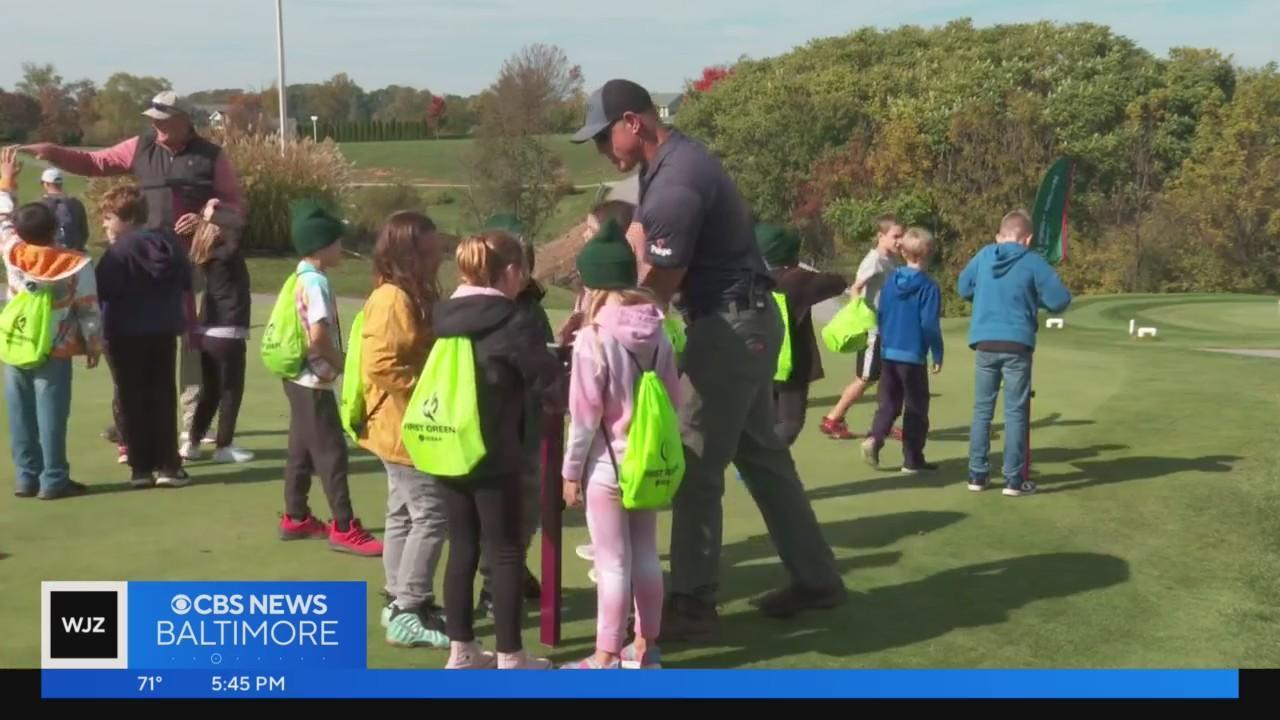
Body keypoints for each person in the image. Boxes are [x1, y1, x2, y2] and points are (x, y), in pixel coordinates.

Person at [574, 79, 845, 638]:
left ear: (634, 122)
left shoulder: (677, 179)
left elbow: (661, 285)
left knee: (696, 463)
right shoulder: (667, 165)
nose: (604, 150)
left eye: (605, 138)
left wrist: (610, 327)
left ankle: (694, 603)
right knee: (762, 455)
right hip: (740, 319)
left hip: (727, 324)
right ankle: (817, 578)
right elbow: (646, 244)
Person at [18, 90, 245, 446]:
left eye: (163, 118)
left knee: (190, 341)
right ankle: (132, 419)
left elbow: (234, 206)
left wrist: (207, 215)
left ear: (184, 120)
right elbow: (95, 163)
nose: (155, 124)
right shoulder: (140, 147)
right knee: (140, 341)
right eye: (153, 118)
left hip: (193, 261)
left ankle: (189, 424)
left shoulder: (212, 156)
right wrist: (53, 152)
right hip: (144, 262)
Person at [434, 232, 561, 670]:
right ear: (510, 272)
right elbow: (546, 381)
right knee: (506, 551)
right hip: (496, 447)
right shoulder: (511, 319)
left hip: (448, 444)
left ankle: (462, 650)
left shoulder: (444, 313)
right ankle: (510, 655)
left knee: (463, 547)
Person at [560, 218, 676, 670]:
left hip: (607, 465)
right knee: (646, 554)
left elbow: (584, 417)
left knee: (612, 563)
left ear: (590, 283)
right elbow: (672, 395)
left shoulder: (592, 338)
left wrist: (570, 473)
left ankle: (606, 654)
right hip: (649, 460)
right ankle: (646, 648)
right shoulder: (661, 330)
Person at [357, 211, 449, 648]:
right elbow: (380, 364)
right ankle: (409, 606)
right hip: (405, 427)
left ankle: (399, 599)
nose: (436, 259)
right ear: (406, 254)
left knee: (404, 513)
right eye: (428, 252)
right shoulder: (393, 298)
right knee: (432, 513)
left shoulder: (406, 293)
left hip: (400, 426)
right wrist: (429, 393)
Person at [278, 200, 383, 556]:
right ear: (321, 245)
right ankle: (344, 525)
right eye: (337, 242)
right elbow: (319, 338)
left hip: (298, 378)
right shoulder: (317, 284)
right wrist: (344, 366)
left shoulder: (299, 276)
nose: (341, 248)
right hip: (314, 380)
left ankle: (295, 515)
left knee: (301, 449)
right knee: (331, 452)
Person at [1, 147, 103, 500]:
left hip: (16, 343)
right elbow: (88, 308)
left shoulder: (13, 251)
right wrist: (94, 344)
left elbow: (2, 220)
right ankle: (53, 478)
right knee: (52, 417)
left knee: (20, 415)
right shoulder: (75, 263)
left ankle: (27, 477)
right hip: (57, 347)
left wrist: (7, 182)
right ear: (54, 229)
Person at [958, 209, 1072, 497]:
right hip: (1017, 343)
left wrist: (983, 295)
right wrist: (1035, 298)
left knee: (983, 410)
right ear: (1027, 238)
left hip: (984, 341)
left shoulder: (984, 255)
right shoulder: (1033, 261)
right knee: (1015, 412)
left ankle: (977, 475)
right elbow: (1059, 300)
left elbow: (963, 288)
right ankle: (1013, 480)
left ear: (1000, 235)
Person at [474, 214, 548, 616]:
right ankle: (494, 588)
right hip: (505, 430)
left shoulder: (529, 305)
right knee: (504, 514)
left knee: (524, 511)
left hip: (525, 427)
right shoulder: (495, 312)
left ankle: (512, 572)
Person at [95, 186, 191, 489]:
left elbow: (101, 293)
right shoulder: (171, 245)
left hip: (123, 334)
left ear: (127, 218)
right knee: (162, 396)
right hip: (162, 331)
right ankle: (168, 466)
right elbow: (187, 284)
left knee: (131, 399)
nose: (105, 224)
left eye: (109, 218)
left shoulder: (117, 253)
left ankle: (140, 469)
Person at [755, 223, 848, 446]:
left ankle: (758, 462)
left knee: (764, 420)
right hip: (791, 365)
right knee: (789, 423)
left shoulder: (747, 279)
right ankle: (763, 461)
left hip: (755, 361)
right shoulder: (798, 280)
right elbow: (838, 282)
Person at [859, 228, 943, 473]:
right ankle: (912, 459)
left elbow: (882, 313)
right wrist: (937, 353)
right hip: (912, 355)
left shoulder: (890, 281)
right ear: (929, 254)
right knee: (916, 407)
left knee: (889, 402)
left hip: (889, 351)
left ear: (903, 252)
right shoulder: (929, 287)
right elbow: (928, 324)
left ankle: (874, 437)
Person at [819, 215, 904, 440]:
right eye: (895, 236)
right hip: (873, 330)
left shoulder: (892, 260)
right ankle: (833, 419)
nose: (900, 241)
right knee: (866, 378)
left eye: (902, 236)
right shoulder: (874, 260)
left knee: (888, 377)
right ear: (881, 236)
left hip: (888, 328)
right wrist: (859, 317)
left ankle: (884, 423)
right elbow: (856, 288)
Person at [184, 199, 253, 464]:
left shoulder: (208, 254)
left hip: (208, 332)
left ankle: (192, 442)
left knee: (211, 391)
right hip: (228, 331)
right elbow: (240, 225)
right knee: (230, 391)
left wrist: (207, 216)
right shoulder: (226, 254)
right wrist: (216, 213)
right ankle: (224, 446)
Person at [39, 168, 89, 252]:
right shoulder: (76, 203)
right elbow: (84, 232)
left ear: (46, 184)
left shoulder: (40, 205)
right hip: (74, 253)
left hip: (50, 253)